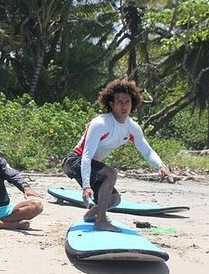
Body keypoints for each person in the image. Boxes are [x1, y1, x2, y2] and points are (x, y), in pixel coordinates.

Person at [62, 79, 172, 232]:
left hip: (92, 165)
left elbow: (147, 151)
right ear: (111, 104)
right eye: (119, 102)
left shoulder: (132, 128)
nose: (124, 106)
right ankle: (100, 221)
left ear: (132, 104)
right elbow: (86, 156)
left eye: (127, 102)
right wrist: (86, 186)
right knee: (111, 173)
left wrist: (161, 165)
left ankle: (92, 214)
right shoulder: (100, 123)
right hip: (75, 161)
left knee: (114, 199)